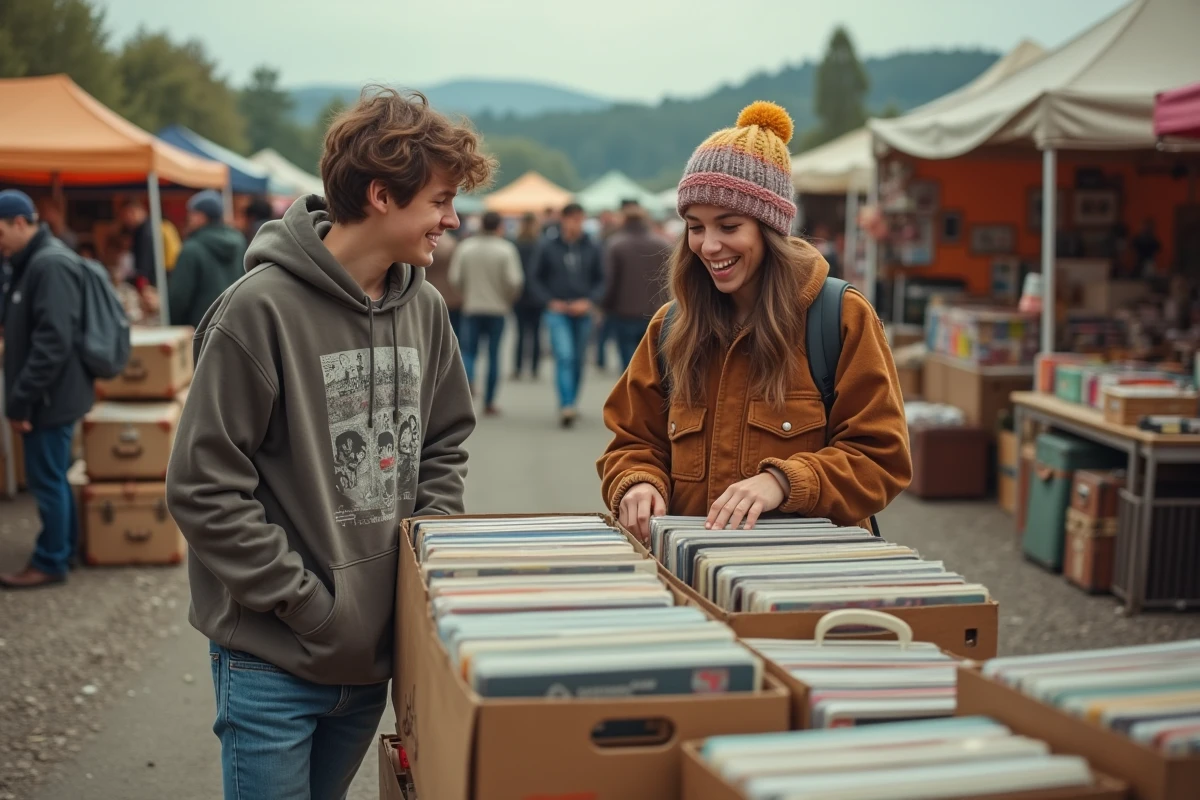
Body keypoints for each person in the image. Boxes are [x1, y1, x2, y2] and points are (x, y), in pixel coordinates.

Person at [164, 87, 492, 799]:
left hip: (374, 661)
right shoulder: (257, 311)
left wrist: (423, 564)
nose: (452, 218)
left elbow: (444, 443)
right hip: (272, 660)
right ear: (381, 194)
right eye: (439, 200)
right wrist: (309, 605)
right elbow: (202, 487)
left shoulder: (427, 308)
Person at [596, 102, 911, 540]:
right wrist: (638, 481)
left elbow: (881, 459)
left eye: (728, 226)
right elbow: (632, 442)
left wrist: (784, 482)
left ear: (769, 228)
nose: (708, 246)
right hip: (689, 579)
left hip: (804, 583)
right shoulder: (670, 327)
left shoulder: (840, 317)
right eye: (695, 226)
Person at [0, 190, 94, 589]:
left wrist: (20, 400)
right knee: (52, 475)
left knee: (47, 478)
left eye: (0, 231)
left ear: (20, 223)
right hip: (53, 392)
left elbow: (53, 341)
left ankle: (52, 559)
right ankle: (63, 550)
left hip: (50, 396)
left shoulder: (48, 264)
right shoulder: (33, 262)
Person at [527, 202, 604, 428]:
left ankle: (572, 401)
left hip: (583, 310)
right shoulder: (548, 246)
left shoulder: (592, 246)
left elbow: (602, 279)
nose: (577, 224)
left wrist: (589, 301)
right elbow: (534, 278)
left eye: (580, 219)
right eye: (573, 219)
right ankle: (566, 404)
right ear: (564, 220)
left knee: (579, 359)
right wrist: (549, 301)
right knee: (564, 355)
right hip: (557, 310)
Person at [449, 210, 524, 415]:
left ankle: (467, 390)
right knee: (494, 355)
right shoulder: (506, 250)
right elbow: (514, 281)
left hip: (472, 306)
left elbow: (455, 278)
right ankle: (489, 401)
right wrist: (507, 299)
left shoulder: (466, 247)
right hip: (498, 308)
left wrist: (466, 293)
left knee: (469, 352)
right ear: (500, 226)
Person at [600, 199, 672, 369]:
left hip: (624, 311)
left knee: (628, 365)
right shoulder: (662, 244)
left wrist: (605, 306)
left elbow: (610, 281)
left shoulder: (616, 245)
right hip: (656, 311)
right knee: (652, 365)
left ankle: (629, 395)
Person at [167, 190, 248, 329]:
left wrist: (174, 325)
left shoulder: (192, 248)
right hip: (235, 324)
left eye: (192, 213)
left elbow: (179, 297)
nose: (188, 218)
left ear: (201, 216)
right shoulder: (239, 242)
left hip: (201, 328)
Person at [511, 212, 545, 380]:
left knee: (520, 333)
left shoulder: (515, 244)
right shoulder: (540, 245)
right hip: (537, 296)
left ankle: (517, 368)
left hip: (520, 295)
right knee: (537, 333)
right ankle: (534, 369)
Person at [422, 227, 462, 337]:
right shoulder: (453, 243)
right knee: (452, 334)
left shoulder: (424, 244)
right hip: (451, 297)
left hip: (428, 296)